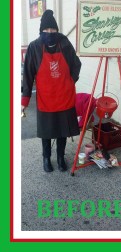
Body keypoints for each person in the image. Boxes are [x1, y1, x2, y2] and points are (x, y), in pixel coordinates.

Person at [21, 9, 82, 173]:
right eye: (46, 30)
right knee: (47, 132)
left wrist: (71, 81)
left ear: (57, 30)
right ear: (41, 31)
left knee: (63, 130)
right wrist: (24, 100)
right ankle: (46, 158)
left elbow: (76, 64)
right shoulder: (34, 47)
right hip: (46, 99)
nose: (50, 33)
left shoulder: (64, 43)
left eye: (53, 30)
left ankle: (61, 157)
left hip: (64, 96)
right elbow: (27, 74)